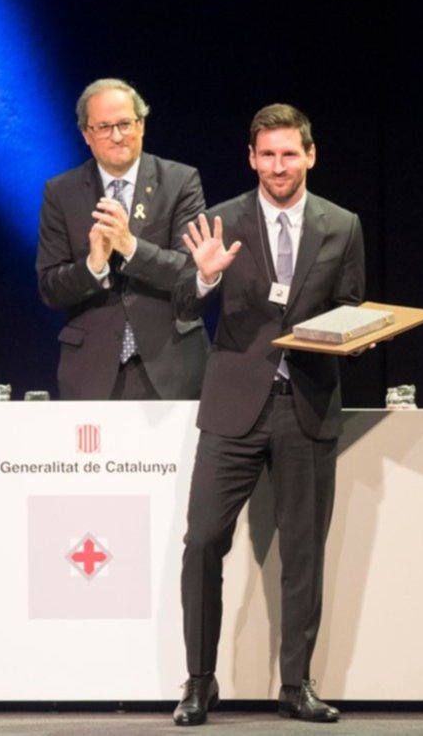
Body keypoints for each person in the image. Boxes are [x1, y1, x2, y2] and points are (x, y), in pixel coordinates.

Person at [170, 104, 364, 726]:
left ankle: (296, 685)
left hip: (305, 405)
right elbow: (179, 300)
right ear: (251, 158)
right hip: (232, 408)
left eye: (290, 154)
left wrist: (355, 333)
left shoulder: (343, 225)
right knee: (202, 542)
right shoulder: (220, 220)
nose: (279, 166)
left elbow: (351, 306)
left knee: (303, 554)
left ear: (311, 154)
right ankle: (199, 682)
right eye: (268, 155)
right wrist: (201, 280)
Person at [36, 78, 209, 400]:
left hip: (171, 367)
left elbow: (190, 271)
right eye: (103, 127)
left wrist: (131, 247)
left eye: (125, 124)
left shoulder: (181, 181)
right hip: (92, 371)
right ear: (87, 134)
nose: (117, 136)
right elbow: (50, 288)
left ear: (141, 125)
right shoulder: (61, 193)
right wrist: (93, 266)